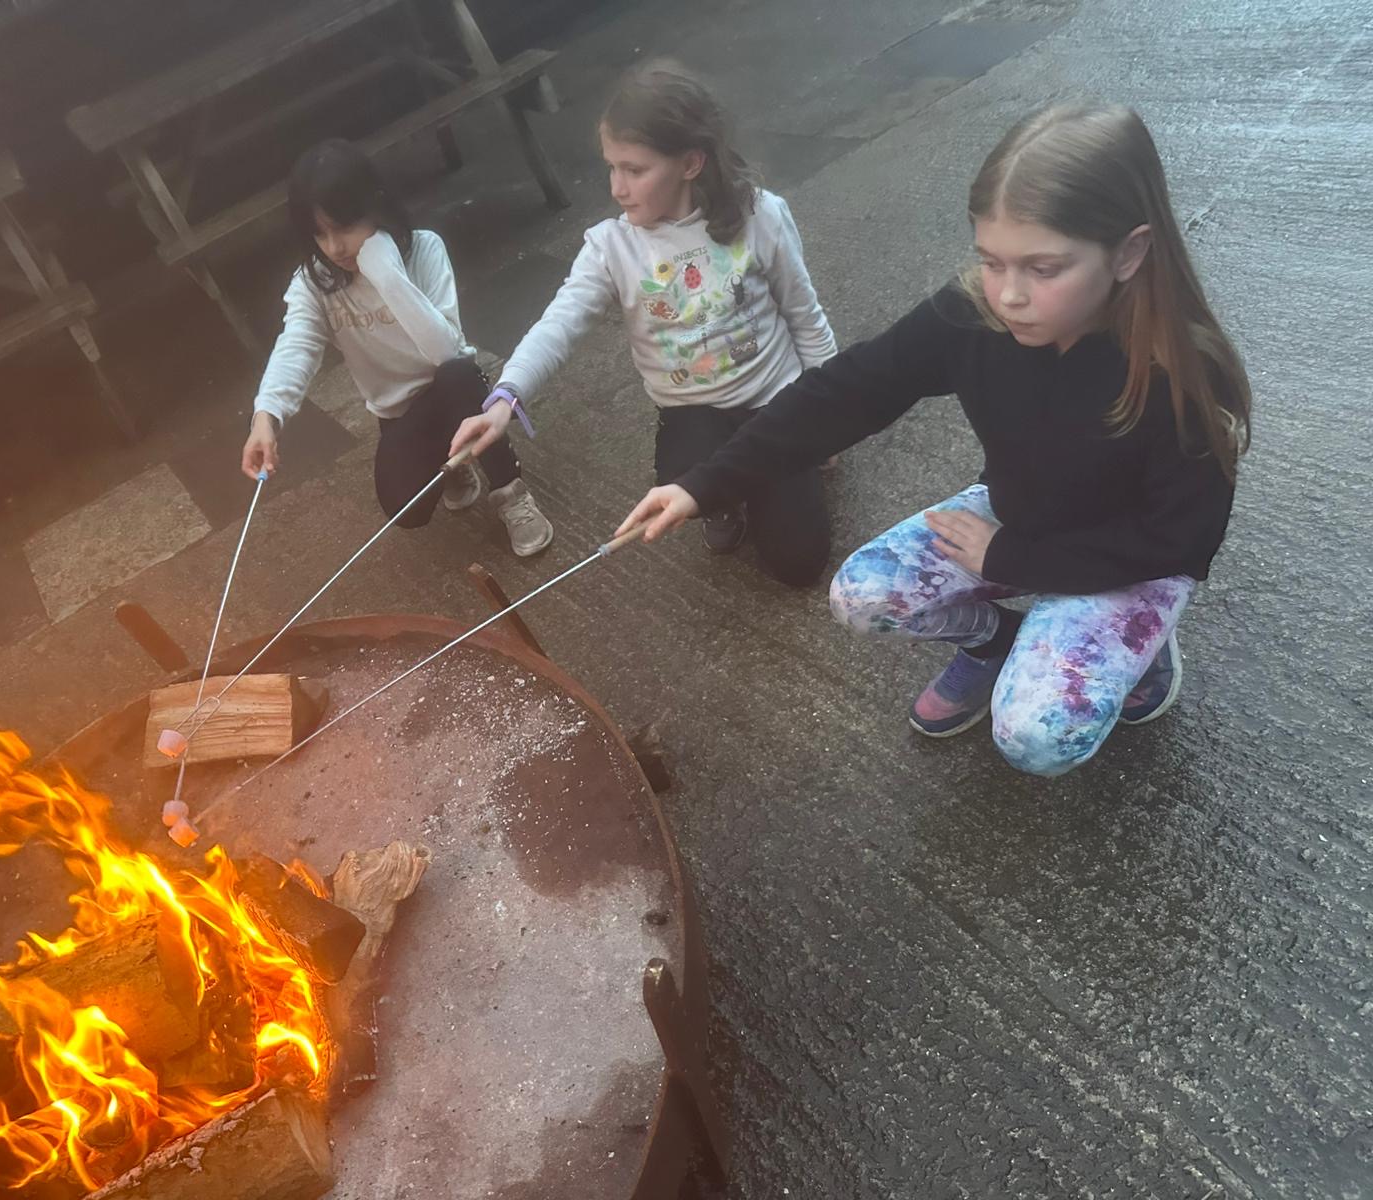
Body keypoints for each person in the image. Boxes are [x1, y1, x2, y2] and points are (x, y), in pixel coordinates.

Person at [616, 103, 1252, 776]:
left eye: (1043, 268)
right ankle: (998, 643)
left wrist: (1015, 558)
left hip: (1129, 563)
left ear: (1128, 252)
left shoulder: (1183, 376)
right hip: (1018, 523)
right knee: (861, 596)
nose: (1008, 296)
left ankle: (1143, 659)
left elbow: (1180, 542)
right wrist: (705, 482)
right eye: (991, 260)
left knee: (1037, 736)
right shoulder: (975, 313)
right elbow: (849, 390)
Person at [448, 60, 837, 586]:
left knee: (799, 563)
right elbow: (559, 323)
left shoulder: (760, 215)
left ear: (691, 163)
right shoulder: (612, 247)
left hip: (775, 400)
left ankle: (770, 477)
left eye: (634, 170)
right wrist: (505, 398)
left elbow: (804, 315)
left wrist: (828, 414)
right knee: (681, 475)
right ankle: (724, 498)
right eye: (612, 167)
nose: (617, 187)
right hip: (694, 413)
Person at [241, 139, 554, 556]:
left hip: (454, 388)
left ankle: (510, 493)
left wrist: (385, 273)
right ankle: (452, 466)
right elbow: (294, 346)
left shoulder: (425, 249)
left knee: (460, 373)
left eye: (344, 227)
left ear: (375, 206)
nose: (334, 247)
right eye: (320, 233)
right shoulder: (315, 283)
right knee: (404, 509)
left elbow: (447, 351)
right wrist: (267, 416)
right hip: (399, 415)